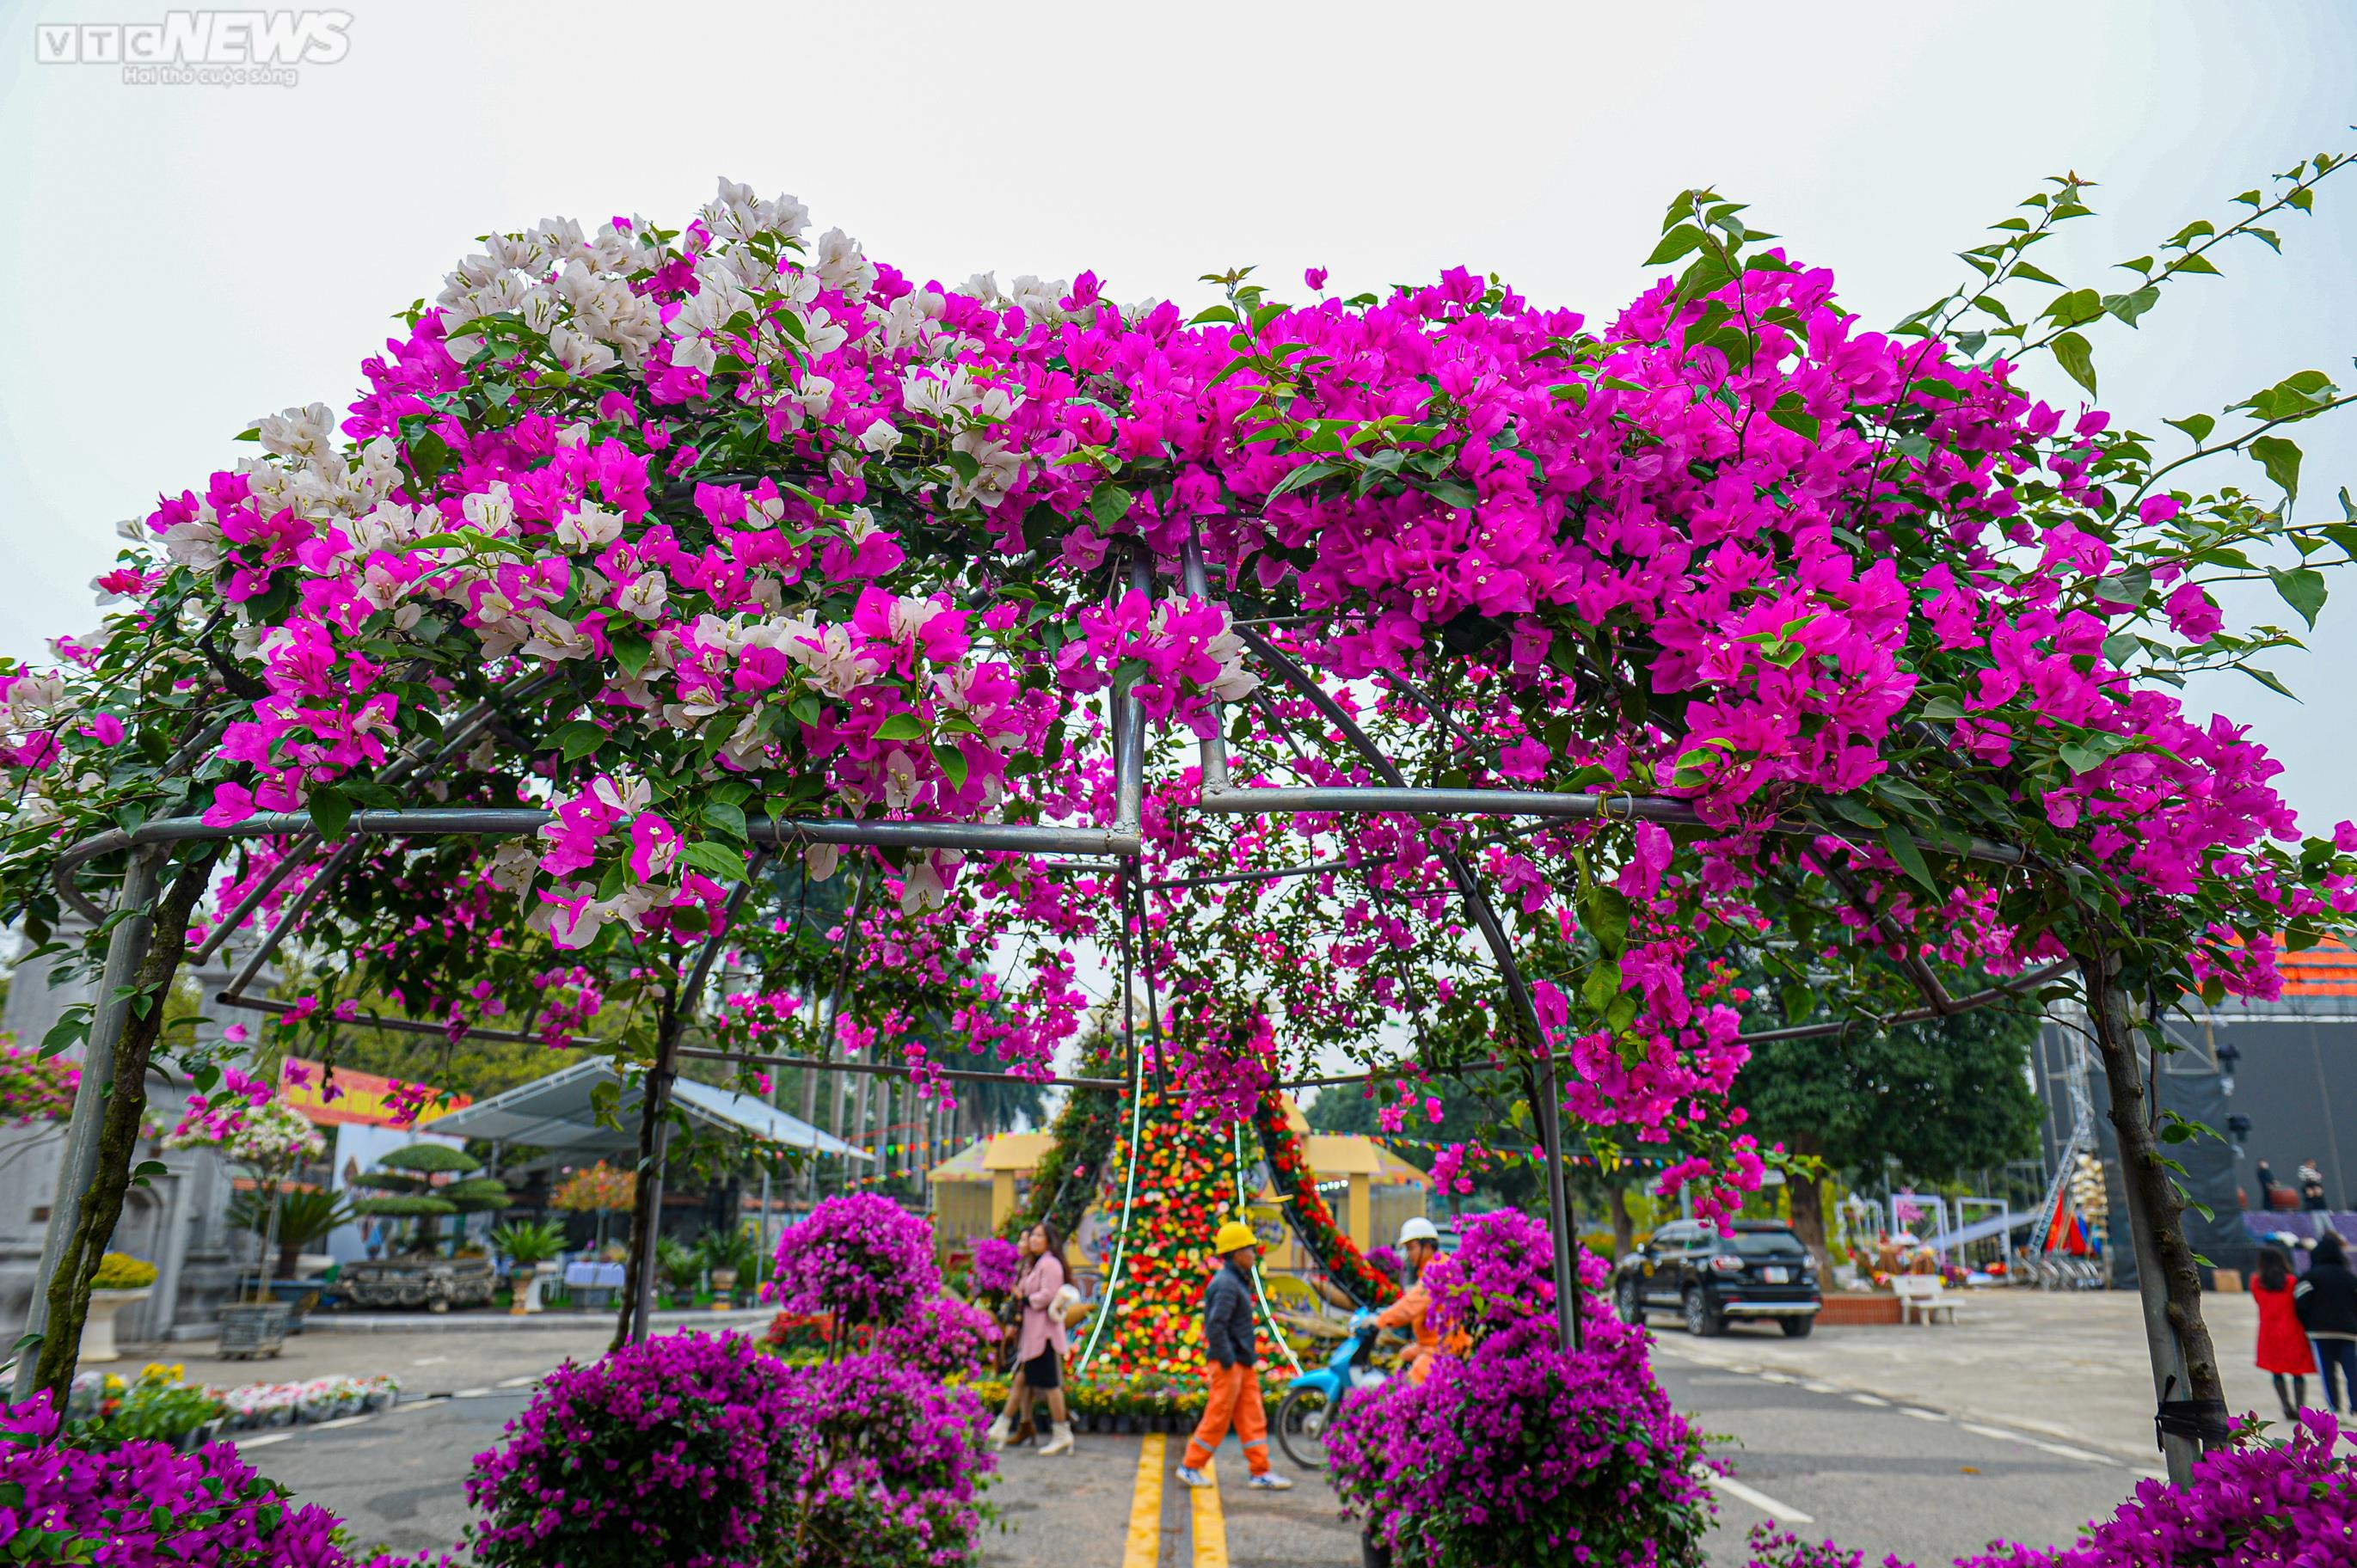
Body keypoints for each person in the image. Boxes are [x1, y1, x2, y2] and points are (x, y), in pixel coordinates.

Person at [1177, 1218, 1293, 1492]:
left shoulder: (1234, 1280)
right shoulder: (1228, 1284)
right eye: (1249, 1249)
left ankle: (1260, 1471)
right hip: (1230, 1364)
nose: (1253, 1255)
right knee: (1218, 1415)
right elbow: (1216, 1326)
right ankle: (1190, 1466)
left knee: (1252, 1417)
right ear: (1236, 1253)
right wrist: (1229, 1360)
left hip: (1241, 1363)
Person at [986, 1222, 1076, 1456]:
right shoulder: (1035, 1264)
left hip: (1044, 1335)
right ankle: (1003, 1425)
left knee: (1051, 1386)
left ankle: (1061, 1433)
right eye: (1032, 1236)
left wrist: (1024, 1299)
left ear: (1049, 1240)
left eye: (1038, 1236)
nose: (1033, 1240)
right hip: (1032, 1336)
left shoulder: (1050, 1264)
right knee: (1021, 1381)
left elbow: (1046, 1295)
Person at [1374, 1216, 1451, 1386]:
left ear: (1428, 1246)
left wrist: (1379, 1321)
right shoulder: (1430, 1269)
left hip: (1444, 1349)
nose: (1408, 1255)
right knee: (1402, 1357)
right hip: (1429, 1345)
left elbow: (1411, 1305)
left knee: (1414, 1381)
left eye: (1411, 1248)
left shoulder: (1438, 1270)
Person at [2293, 1230, 2357, 1412]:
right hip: (2349, 1331)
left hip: (2320, 1332)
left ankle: (2335, 1408)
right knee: (2352, 1372)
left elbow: (2301, 1304)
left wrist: (2307, 1324)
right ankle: (2356, 1407)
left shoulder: (2310, 1277)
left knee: (2328, 1373)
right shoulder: (2350, 1277)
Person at [2250, 1243, 2315, 1419]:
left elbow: (2258, 1301)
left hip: (2269, 1331)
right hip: (2292, 1330)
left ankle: (2286, 1407)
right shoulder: (2292, 1281)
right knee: (2297, 1371)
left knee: (2276, 1370)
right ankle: (2301, 1407)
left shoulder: (2256, 1281)